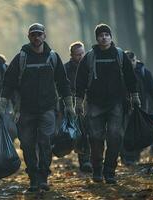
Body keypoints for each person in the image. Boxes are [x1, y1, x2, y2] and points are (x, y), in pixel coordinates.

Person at [0, 23, 74, 192]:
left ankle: (43, 176)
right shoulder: (21, 58)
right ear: (29, 37)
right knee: (27, 144)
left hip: (47, 109)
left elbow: (63, 82)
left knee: (45, 143)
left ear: (44, 36)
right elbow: (8, 84)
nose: (36, 37)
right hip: (26, 110)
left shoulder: (53, 57)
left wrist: (69, 106)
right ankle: (33, 178)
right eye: (33, 35)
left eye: (39, 34)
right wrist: (0, 107)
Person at [75, 24, 139, 184]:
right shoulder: (89, 57)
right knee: (95, 138)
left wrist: (135, 96)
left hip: (116, 103)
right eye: (101, 35)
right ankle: (97, 170)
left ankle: (109, 171)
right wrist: (79, 101)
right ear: (96, 38)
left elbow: (131, 76)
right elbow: (80, 80)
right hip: (95, 104)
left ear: (111, 37)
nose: (104, 37)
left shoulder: (119, 55)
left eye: (106, 34)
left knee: (115, 137)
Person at [123, 51, 153, 159]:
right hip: (124, 107)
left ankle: (136, 154)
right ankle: (126, 155)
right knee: (126, 130)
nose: (131, 63)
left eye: (133, 60)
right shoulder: (120, 72)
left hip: (142, 106)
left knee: (138, 130)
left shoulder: (144, 72)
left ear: (136, 60)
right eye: (128, 61)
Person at [63, 41, 92, 172]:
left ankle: (93, 160)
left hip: (90, 101)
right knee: (81, 132)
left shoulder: (90, 65)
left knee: (92, 132)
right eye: (77, 55)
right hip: (73, 103)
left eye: (82, 53)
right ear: (71, 55)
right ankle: (85, 161)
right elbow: (63, 87)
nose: (80, 57)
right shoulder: (66, 69)